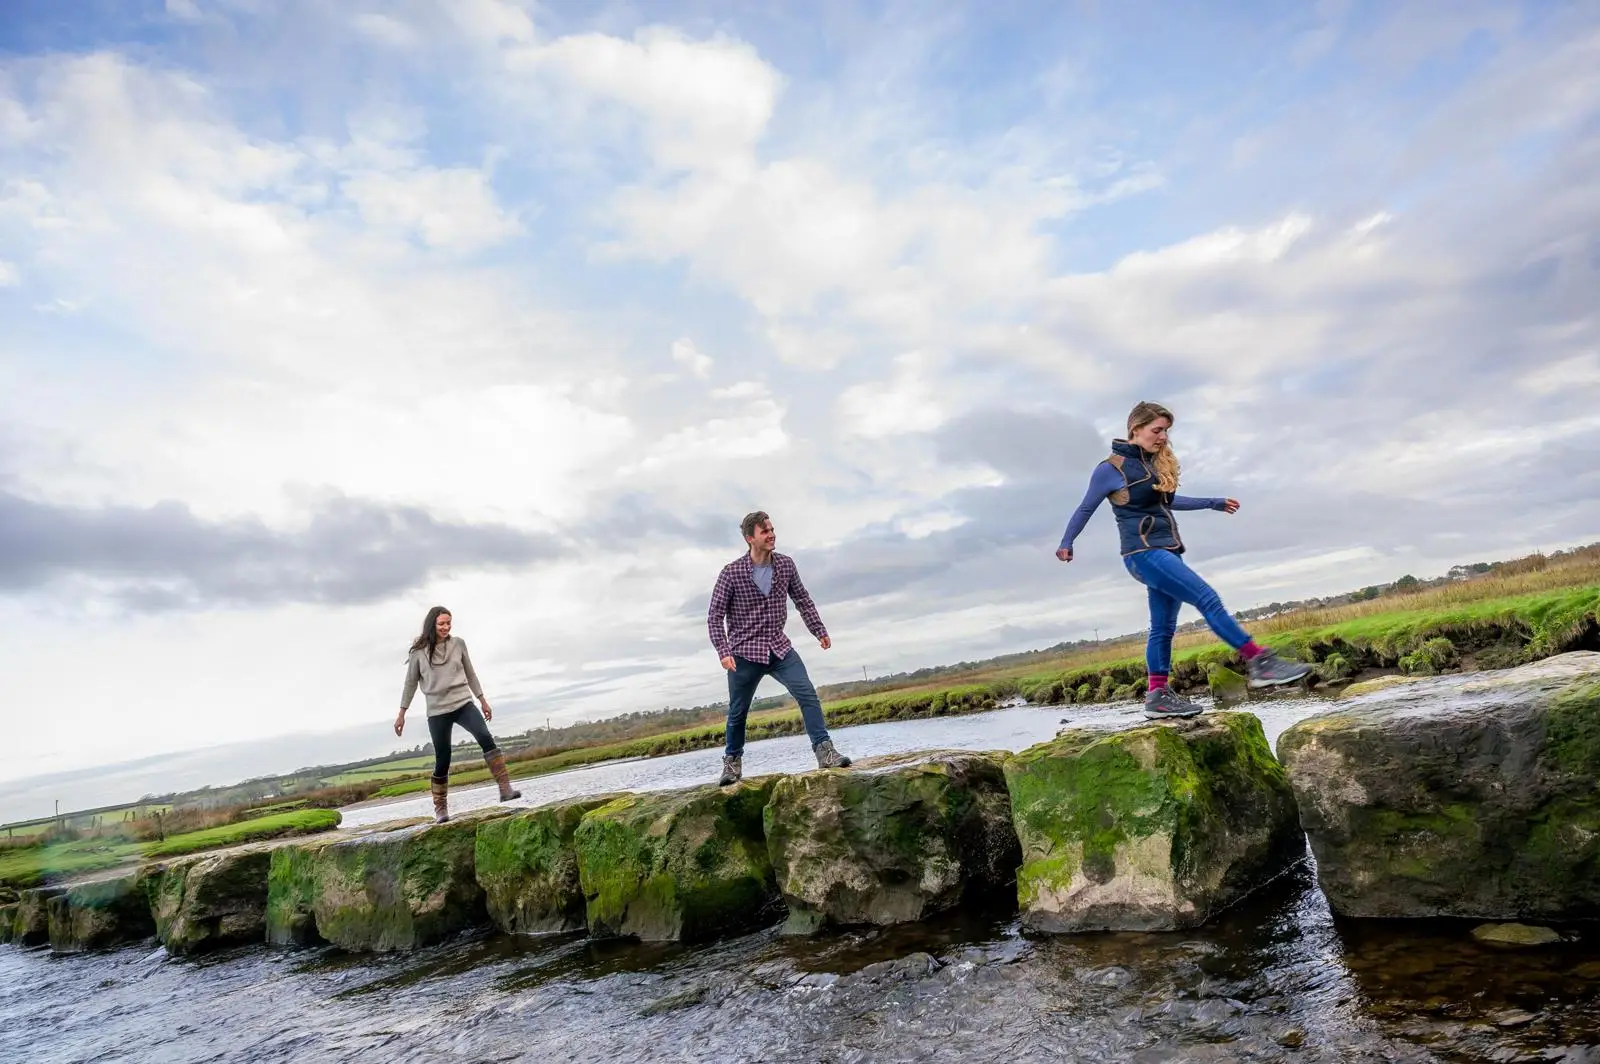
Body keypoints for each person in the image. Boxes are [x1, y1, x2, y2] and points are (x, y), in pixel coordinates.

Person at [1056, 401, 1311, 719]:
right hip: (1145, 553)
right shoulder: (1112, 468)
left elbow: (1170, 500)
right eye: (1157, 430)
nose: (1162, 437)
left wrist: (1212, 502)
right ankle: (1260, 662)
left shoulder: (1150, 467)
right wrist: (1067, 542)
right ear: (1136, 429)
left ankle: (1157, 697)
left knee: (1162, 628)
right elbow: (1085, 508)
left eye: (1165, 431)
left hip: (1162, 552)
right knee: (1207, 598)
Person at [707, 511, 853, 786]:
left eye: (772, 529)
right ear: (751, 538)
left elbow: (803, 599)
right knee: (738, 711)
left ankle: (825, 751)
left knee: (807, 693)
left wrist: (818, 630)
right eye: (765, 531)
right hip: (743, 653)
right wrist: (723, 651)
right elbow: (714, 616)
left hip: (778, 647)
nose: (771, 534)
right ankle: (732, 764)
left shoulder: (785, 565)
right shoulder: (731, 572)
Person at [395, 606, 521, 823]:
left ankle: (505, 788)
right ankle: (440, 809)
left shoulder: (458, 644)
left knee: (485, 737)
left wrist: (482, 700)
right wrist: (401, 714)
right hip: (437, 711)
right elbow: (410, 684)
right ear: (432, 625)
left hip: (463, 703)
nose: (446, 627)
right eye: (441, 623)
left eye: (448, 623)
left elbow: (470, 672)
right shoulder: (418, 653)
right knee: (443, 758)